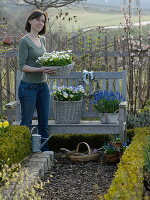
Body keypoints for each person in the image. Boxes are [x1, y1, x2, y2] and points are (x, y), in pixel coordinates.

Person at [18, 10, 55, 151]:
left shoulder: (42, 40)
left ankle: (45, 152)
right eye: (38, 20)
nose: (41, 23)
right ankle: (23, 151)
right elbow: (22, 66)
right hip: (28, 87)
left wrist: (53, 66)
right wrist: (40, 70)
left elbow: (44, 61)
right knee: (26, 122)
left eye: (43, 21)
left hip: (43, 87)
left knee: (44, 123)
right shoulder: (24, 41)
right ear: (30, 21)